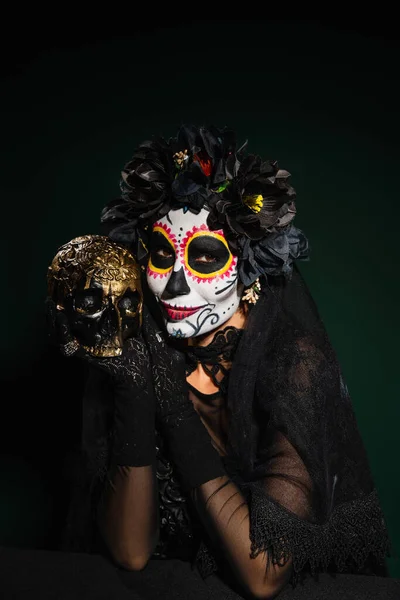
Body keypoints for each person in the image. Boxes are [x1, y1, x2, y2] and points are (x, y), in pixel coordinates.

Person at [46, 124, 397, 600]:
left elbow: (264, 577)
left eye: (204, 257)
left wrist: (173, 406)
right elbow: (130, 553)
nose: (173, 285)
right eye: (161, 254)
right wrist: (136, 389)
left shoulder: (294, 364)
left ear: (251, 270)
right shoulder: (149, 346)